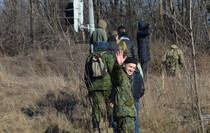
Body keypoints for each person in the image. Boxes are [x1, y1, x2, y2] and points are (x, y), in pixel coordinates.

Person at [85, 42, 114, 132]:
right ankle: (111, 124)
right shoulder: (108, 57)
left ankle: (96, 126)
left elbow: (86, 75)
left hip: (95, 87)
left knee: (96, 107)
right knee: (110, 104)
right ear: (106, 48)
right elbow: (113, 72)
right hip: (107, 86)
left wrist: (89, 88)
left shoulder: (90, 58)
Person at [110, 50, 137, 133]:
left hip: (127, 114)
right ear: (124, 65)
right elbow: (116, 73)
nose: (132, 70)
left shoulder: (128, 78)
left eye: (133, 68)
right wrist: (118, 65)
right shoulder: (121, 75)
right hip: (125, 115)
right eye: (130, 67)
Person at [132, 68, 145, 133]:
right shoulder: (139, 74)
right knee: (135, 123)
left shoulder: (126, 75)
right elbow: (142, 90)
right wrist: (137, 97)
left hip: (128, 102)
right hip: (136, 101)